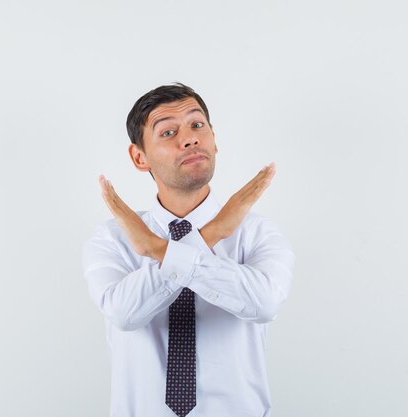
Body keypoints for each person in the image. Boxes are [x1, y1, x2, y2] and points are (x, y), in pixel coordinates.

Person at [82, 83, 295, 417]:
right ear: (140, 157)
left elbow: (264, 303)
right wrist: (210, 235)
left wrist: (159, 250)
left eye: (197, 125)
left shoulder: (257, 232)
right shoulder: (113, 238)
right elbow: (124, 313)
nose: (190, 138)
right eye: (168, 132)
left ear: (213, 138)